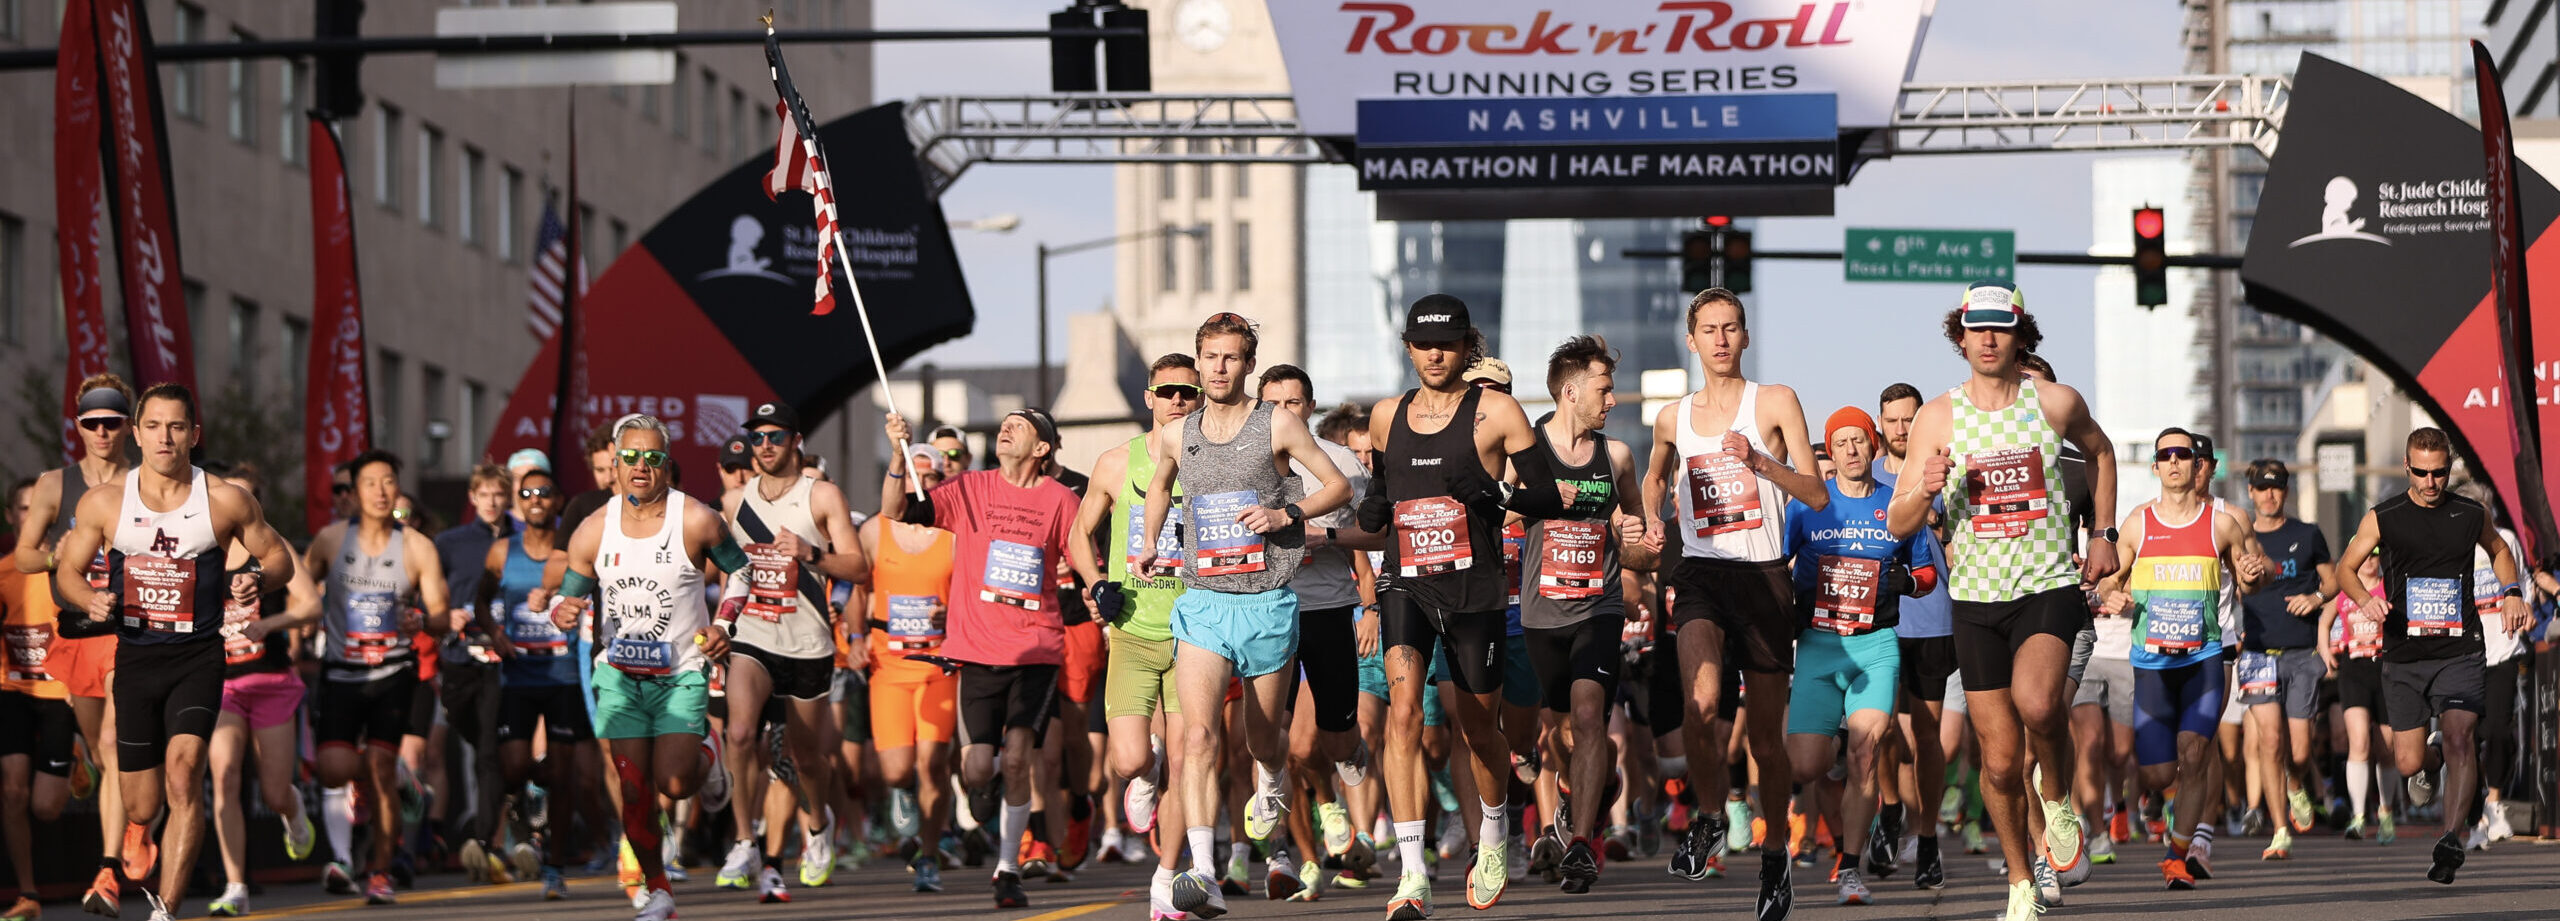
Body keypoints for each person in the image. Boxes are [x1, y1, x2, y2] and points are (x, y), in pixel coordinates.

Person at [1886, 282, 2117, 921]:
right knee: (1999, 759)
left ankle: (2061, 798)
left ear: (2021, 335)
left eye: (2001, 327)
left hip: (2045, 584)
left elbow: (2101, 454)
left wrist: (2103, 534)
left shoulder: (2055, 402)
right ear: (1960, 337)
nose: (1988, 339)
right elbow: (1899, 523)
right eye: (1976, 327)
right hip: (1976, 598)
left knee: (2040, 702)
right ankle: (2019, 881)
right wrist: (1923, 491)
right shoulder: (1937, 417)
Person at [1132, 314, 1352, 919]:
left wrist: (1290, 515)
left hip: (1267, 601)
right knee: (1197, 738)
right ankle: (1202, 873)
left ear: (1249, 364)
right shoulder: (1181, 433)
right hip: (1203, 601)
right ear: (1199, 362)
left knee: (1260, 741)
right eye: (1210, 357)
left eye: (1232, 358)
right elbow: (1158, 487)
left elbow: (1337, 487)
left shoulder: (1275, 423)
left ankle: (1274, 777)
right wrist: (1152, 541)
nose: (1220, 368)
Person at [51, 384, 297, 921]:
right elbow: (67, 571)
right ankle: (139, 828)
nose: (166, 437)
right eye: (155, 426)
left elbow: (279, 558)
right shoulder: (105, 502)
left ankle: (165, 909)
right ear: (136, 435)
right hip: (136, 659)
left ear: (194, 434)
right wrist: (90, 597)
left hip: (198, 658)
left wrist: (255, 577)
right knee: (142, 802)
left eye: (177, 426)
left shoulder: (225, 498)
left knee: (185, 774)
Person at [1360, 294, 1561, 921]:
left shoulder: (1497, 411)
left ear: (1467, 344)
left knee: (1478, 729)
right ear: (1408, 347)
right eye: (1424, 343)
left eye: (1447, 342)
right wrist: (1371, 509)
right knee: (1403, 721)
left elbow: (1548, 494)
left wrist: (1499, 494)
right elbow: (1379, 493)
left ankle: (1495, 829)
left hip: (1475, 590)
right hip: (1406, 584)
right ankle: (1413, 873)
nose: (1435, 353)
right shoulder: (1386, 416)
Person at [1637, 287, 1826, 921]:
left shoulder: (1774, 402)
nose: (1720, 339)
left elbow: (1817, 494)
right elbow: (1655, 474)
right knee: (1703, 703)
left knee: (1767, 744)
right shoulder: (1672, 417)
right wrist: (1651, 515)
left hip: (1765, 579)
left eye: (1731, 327)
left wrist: (1763, 463)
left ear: (1746, 337)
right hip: (1700, 575)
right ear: (1691, 341)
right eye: (1708, 329)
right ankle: (1712, 816)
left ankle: (1775, 861)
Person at [881, 407, 1083, 909]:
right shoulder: (970, 488)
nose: (1006, 428)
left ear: (1043, 448)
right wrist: (895, 456)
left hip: (1036, 649)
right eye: (1005, 423)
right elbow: (897, 511)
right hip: (976, 652)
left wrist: (1102, 591)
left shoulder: (1061, 500)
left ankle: (1008, 869)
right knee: (976, 769)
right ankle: (984, 794)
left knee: (1018, 759)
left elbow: (1083, 558)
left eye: (1021, 425)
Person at [545, 414, 739, 921]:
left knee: (675, 783)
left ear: (666, 463)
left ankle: (709, 755)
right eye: (630, 457)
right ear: (615, 462)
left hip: (682, 672)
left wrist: (725, 625)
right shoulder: (593, 528)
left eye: (652, 458)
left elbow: (740, 572)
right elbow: (569, 595)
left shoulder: (695, 518)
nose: (640, 467)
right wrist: (563, 611)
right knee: (633, 788)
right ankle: (657, 890)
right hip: (619, 675)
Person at [2333, 427, 2525, 885]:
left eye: (2439, 473)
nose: (2430, 482)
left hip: (2460, 649)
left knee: (2463, 735)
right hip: (2404, 653)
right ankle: (2430, 755)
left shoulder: (2468, 513)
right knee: (2407, 763)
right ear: (2407, 467)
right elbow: (2345, 568)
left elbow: (2498, 548)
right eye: (2420, 472)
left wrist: (2512, 589)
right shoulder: (2385, 517)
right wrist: (2363, 599)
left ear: (2448, 471)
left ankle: (2451, 837)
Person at [2093, 428, 2265, 890]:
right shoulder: (2137, 523)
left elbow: (2252, 579)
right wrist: (2110, 594)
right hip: (2152, 663)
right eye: (2165, 455)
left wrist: (2252, 573)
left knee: (2195, 754)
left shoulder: (2222, 524)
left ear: (2198, 466)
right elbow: (2112, 579)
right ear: (2155, 466)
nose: (2174, 462)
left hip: (2206, 658)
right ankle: (2164, 808)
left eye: (2182, 454)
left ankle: (2177, 854)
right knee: (2156, 772)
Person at [714, 401, 870, 900]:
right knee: (740, 734)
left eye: (774, 437)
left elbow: (859, 567)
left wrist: (811, 555)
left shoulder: (820, 494)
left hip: (807, 641)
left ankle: (819, 828)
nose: (764, 446)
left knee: (805, 757)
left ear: (795, 441)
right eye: (757, 439)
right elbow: (726, 570)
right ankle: (744, 841)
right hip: (753, 635)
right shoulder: (734, 502)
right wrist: (719, 625)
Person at [1515, 337, 1656, 894]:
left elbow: (1639, 545)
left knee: (1590, 714)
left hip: (1599, 606)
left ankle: (1580, 843)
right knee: (1556, 734)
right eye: (1604, 388)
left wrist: (1643, 542)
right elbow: (1495, 499)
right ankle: (1590, 795)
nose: (1613, 400)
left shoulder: (1616, 456)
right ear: (1570, 392)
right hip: (1540, 610)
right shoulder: (1525, 449)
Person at [1782, 407, 1937, 907]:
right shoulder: (1807, 507)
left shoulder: (1897, 506)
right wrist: (1785, 597)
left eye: (1859, 440)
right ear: (1830, 450)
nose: (1851, 450)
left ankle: (1849, 867)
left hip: (1875, 644)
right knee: (1808, 764)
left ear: (1874, 446)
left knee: (1866, 753)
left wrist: (1907, 582)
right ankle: (1800, 808)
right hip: (1819, 645)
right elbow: (1774, 564)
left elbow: (1928, 573)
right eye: (1841, 442)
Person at [1068, 354, 1203, 918]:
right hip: (1132, 630)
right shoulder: (1115, 463)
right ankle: (1140, 774)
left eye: (1188, 392)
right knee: (1127, 762)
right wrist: (1097, 584)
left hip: (1195, 631)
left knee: (1186, 758)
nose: (1177, 399)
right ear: (1149, 396)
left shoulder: (1210, 465)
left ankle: (1165, 881)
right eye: (1167, 390)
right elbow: (1079, 533)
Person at [303, 450, 454, 905]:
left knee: (381, 767)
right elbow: (300, 591)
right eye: (371, 483)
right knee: (333, 771)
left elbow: (443, 616)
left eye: (389, 482)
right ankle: (399, 782)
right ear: (354, 492)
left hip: (394, 672)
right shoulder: (331, 541)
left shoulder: (417, 547)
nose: (382, 492)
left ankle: (381, 872)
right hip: (341, 674)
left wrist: (422, 622)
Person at [1258, 363, 1385, 898]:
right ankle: (1294, 849)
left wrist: (1325, 536)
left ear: (1310, 407)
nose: (1283, 412)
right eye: (1273, 403)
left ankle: (1349, 763)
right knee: (1281, 739)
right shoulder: (1245, 459)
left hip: (1328, 608)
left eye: (1294, 402)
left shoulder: (1338, 464)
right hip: (1266, 609)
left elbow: (1373, 537)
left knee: (1334, 738)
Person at [13, 376, 136, 918]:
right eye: (93, 423)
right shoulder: (53, 484)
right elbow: (21, 555)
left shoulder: (147, 481)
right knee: (105, 752)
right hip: (79, 632)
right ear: (78, 426)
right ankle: (117, 790)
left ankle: (107, 870)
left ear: (128, 425)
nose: (104, 432)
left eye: (113, 422)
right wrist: (57, 560)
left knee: (113, 742)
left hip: (133, 633)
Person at [202, 464, 322, 918]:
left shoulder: (274, 549)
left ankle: (292, 815)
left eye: (246, 497)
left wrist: (267, 624)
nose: (236, 506)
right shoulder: (202, 551)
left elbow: (311, 605)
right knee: (226, 776)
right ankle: (235, 886)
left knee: (273, 793)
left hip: (271, 681)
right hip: (222, 684)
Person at [858, 443, 966, 895]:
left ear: (942, 481)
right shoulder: (872, 530)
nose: (920, 483)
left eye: (930, 476)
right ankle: (904, 805)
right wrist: (856, 637)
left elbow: (970, 592)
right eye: (911, 474)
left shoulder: (954, 534)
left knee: (932, 764)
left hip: (937, 663)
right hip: (888, 663)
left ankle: (927, 854)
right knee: (896, 771)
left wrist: (954, 615)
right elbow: (856, 585)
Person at [1872, 383, 1956, 889]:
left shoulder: (1944, 474)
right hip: (1878, 621)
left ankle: (1927, 842)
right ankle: (1888, 811)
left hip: (1934, 619)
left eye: (1910, 419)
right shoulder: (1868, 477)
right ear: (1881, 423)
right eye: (1893, 420)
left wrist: (1940, 520)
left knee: (1926, 738)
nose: (1902, 429)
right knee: (1878, 728)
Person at [2233, 459, 2335, 860]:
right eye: (2261, 488)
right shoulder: (2239, 540)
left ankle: (2296, 785)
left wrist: (2316, 599)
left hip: (2300, 654)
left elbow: (2332, 581)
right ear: (2251, 493)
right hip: (2257, 653)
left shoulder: (2307, 534)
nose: (2269, 494)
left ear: (2286, 492)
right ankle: (2278, 830)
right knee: (2269, 742)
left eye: (2276, 488)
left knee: (2299, 752)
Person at [0, 478, 79, 921]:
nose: (31, 516)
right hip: (11, 688)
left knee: (45, 808)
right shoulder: (3, 572)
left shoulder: (62, 569)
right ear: (11, 517)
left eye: (37, 508)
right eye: (22, 508)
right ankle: (27, 893)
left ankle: (74, 755)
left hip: (58, 692)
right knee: (11, 790)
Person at [437, 465, 517, 886]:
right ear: (472, 497)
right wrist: (441, 612)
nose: (490, 501)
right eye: (483, 494)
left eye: (498, 494)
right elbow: (425, 590)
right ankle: (514, 813)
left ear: (508, 498)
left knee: (488, 750)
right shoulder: (450, 542)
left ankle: (484, 842)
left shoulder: (521, 539)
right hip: (456, 660)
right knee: (482, 745)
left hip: (501, 661)